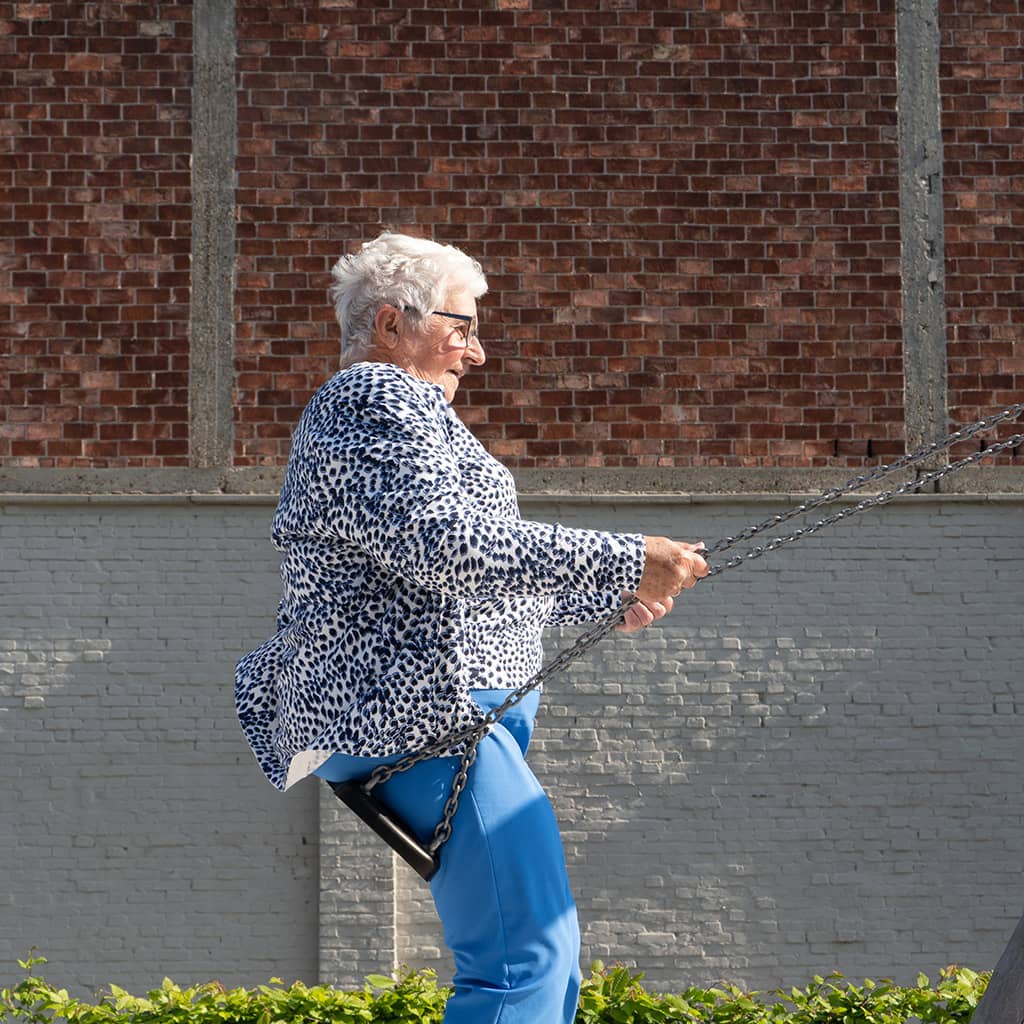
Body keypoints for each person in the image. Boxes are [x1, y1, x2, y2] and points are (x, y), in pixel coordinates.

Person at [235, 231, 707, 1024]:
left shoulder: (404, 415)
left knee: (535, 954)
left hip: (439, 714)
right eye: (462, 325)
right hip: (422, 714)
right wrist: (624, 559)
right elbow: (440, 543)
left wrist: (605, 597)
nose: (476, 352)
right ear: (391, 324)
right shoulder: (374, 400)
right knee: (524, 959)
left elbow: (450, 570)